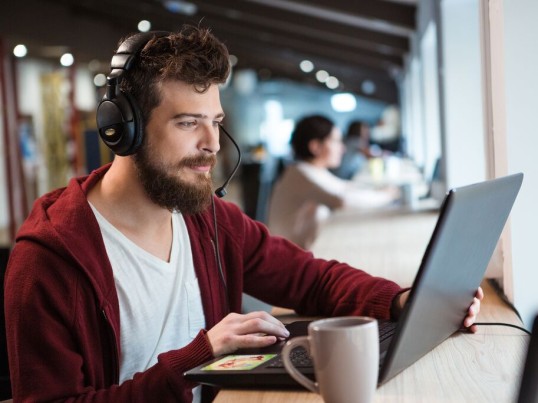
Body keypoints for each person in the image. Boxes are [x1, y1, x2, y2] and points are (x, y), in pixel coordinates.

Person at [4, 26, 483, 403]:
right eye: (188, 122)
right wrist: (199, 357)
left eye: (214, 122)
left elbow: (310, 279)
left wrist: (401, 301)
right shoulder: (51, 262)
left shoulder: (206, 220)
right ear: (121, 130)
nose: (211, 144)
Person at [267, 115, 400, 250]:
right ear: (315, 147)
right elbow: (342, 200)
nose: (343, 148)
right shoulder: (300, 173)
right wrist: (387, 196)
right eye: (336, 141)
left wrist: (380, 190)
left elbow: (345, 187)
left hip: (303, 251)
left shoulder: (311, 170)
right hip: (291, 261)